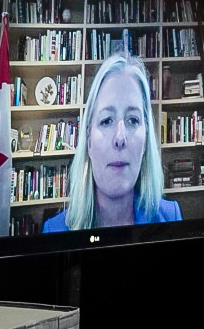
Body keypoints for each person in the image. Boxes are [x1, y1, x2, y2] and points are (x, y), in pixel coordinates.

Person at [43, 52, 182, 232]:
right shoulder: (55, 231)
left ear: (146, 139)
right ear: (89, 142)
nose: (120, 138)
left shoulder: (171, 217)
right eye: (107, 120)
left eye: (133, 120)